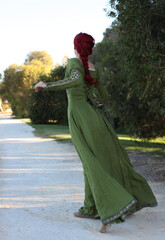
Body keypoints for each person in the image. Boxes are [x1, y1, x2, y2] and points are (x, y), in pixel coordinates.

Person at [34, 32, 158, 233]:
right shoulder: (92, 68)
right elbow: (104, 95)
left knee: (92, 164)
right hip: (94, 118)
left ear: (76, 46)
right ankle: (90, 208)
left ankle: (112, 207)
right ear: (90, 49)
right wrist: (92, 98)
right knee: (93, 162)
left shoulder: (74, 64)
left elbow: (74, 80)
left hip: (80, 117)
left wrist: (46, 85)